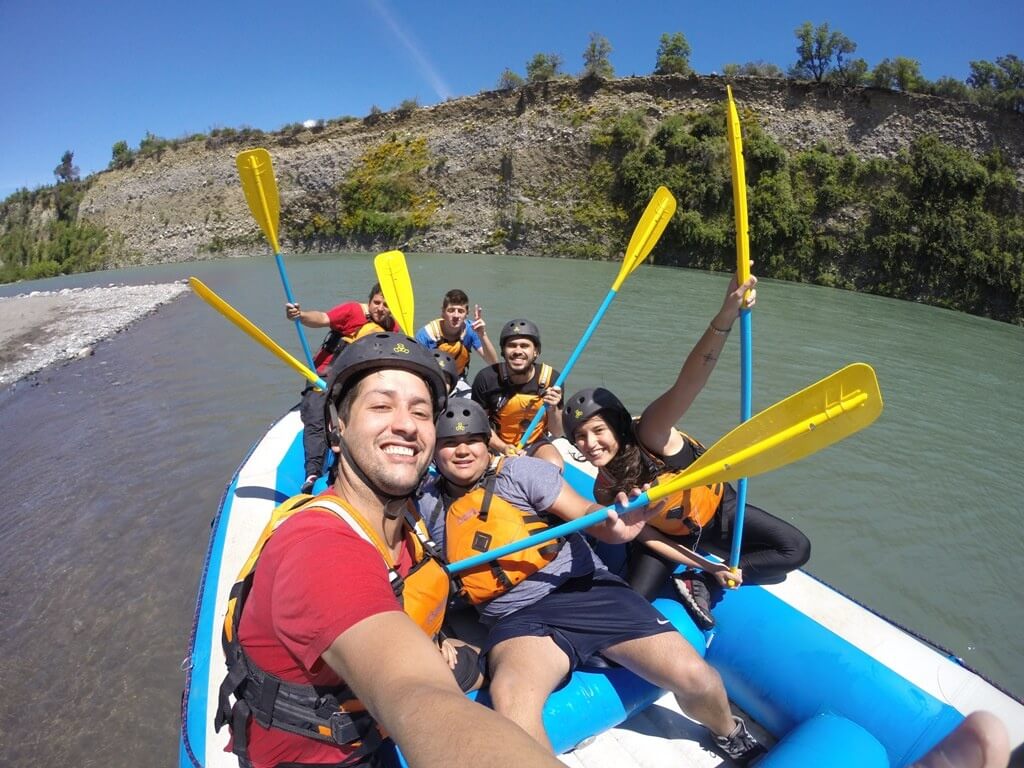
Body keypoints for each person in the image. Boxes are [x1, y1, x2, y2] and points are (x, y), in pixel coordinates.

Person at [215, 332, 565, 768]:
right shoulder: (320, 550)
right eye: (381, 406)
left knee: (490, 661)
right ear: (336, 428)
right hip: (332, 756)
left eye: (420, 411)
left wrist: (434, 638)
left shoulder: (410, 518)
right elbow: (417, 694)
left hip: (370, 709)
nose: (406, 424)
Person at [421, 399, 767, 766]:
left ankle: (729, 732)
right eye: (449, 443)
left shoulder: (519, 473)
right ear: (435, 450)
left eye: (472, 440)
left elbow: (585, 512)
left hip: (584, 590)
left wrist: (615, 526)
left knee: (697, 678)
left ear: (485, 442)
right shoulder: (425, 503)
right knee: (512, 704)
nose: (462, 450)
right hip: (515, 618)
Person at [562, 274, 810, 630]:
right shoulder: (604, 488)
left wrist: (725, 316)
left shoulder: (651, 431)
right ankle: (691, 580)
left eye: (597, 431)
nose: (590, 444)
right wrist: (704, 563)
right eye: (580, 438)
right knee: (633, 600)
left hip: (717, 514)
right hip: (673, 535)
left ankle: (703, 587)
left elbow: (691, 380)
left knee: (794, 551)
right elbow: (650, 537)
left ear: (615, 426)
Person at [285, 284, 399, 493]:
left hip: (353, 379)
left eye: (386, 305)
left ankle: (348, 472)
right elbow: (322, 318)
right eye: (377, 302)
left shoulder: (394, 327)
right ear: (370, 300)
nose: (381, 308)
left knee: (352, 423)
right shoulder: (352, 311)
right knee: (316, 416)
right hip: (323, 374)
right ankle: (313, 473)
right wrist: (300, 316)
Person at [471, 318, 565, 468]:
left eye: (525, 346)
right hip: (496, 442)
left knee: (555, 465)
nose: (518, 351)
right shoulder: (487, 378)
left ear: (536, 352)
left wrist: (553, 408)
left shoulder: (552, 379)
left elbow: (557, 431)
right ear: (503, 351)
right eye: (512, 346)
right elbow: (479, 425)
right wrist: (503, 448)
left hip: (534, 441)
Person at [415, 289, 498, 382]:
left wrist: (482, 334)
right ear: (443, 312)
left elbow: (493, 363)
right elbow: (416, 370)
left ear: (467, 313)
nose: (456, 315)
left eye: (460, 311)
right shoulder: (426, 335)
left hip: (459, 380)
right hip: (432, 379)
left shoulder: (471, 330)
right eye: (451, 310)